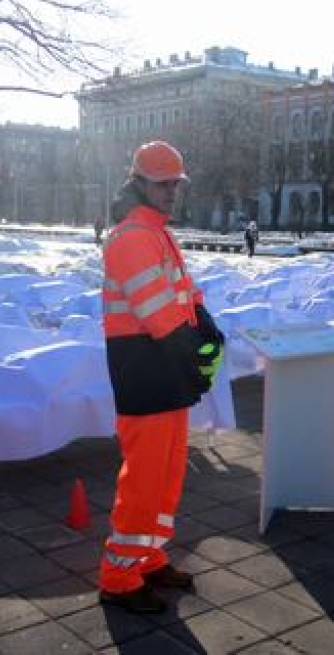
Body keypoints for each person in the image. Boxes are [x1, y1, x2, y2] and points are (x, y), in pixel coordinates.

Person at [98, 140, 225, 615]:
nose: (172, 192)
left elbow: (181, 291)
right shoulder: (133, 235)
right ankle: (118, 577)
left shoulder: (157, 232)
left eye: (175, 183)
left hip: (160, 368)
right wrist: (194, 351)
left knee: (167, 473)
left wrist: (202, 315)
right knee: (143, 480)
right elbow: (154, 312)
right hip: (144, 368)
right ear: (139, 183)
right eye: (162, 183)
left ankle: (148, 558)